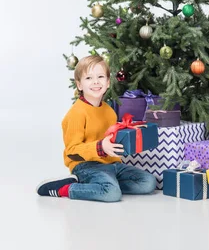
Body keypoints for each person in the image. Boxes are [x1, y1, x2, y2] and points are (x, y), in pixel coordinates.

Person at [37, 55, 156, 202]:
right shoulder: (77, 113)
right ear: (79, 85)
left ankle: (102, 185)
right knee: (111, 194)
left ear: (107, 82)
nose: (95, 82)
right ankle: (66, 188)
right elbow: (72, 152)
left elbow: (113, 139)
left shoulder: (109, 111)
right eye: (88, 78)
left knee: (149, 182)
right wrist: (100, 147)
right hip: (86, 166)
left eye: (100, 77)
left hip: (112, 164)